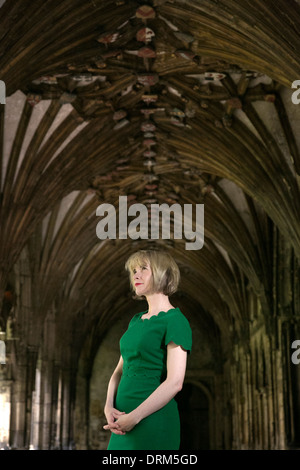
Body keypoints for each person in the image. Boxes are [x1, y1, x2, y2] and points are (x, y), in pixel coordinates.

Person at [103, 249, 192, 450]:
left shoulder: (175, 321)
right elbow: (119, 370)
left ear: (163, 273)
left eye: (144, 268)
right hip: (122, 422)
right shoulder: (135, 321)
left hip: (152, 420)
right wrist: (108, 406)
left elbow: (175, 382)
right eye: (134, 270)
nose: (136, 274)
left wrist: (135, 417)